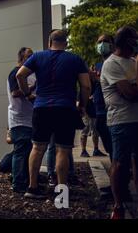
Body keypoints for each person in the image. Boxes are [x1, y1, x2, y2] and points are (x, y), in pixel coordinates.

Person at [16, 30, 91, 199]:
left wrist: (27, 94)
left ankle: (32, 188)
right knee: (62, 150)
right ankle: (62, 194)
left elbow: (20, 75)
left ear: (50, 41)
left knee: (37, 147)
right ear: (65, 42)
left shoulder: (38, 57)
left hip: (42, 108)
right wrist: (82, 106)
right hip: (65, 108)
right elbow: (86, 86)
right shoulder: (75, 59)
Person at [100, 26, 138, 219]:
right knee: (120, 163)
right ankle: (118, 205)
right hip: (121, 121)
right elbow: (130, 94)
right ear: (126, 43)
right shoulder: (112, 64)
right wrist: (133, 86)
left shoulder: (133, 61)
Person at [7, 47, 36, 193]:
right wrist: (31, 89)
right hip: (19, 119)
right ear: (21, 58)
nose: (31, 58)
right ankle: (18, 184)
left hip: (30, 118)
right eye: (29, 56)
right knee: (20, 152)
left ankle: (22, 178)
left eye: (33, 56)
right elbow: (15, 93)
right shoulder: (16, 72)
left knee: (26, 151)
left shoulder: (31, 73)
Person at [91, 34, 115, 159]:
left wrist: (98, 79)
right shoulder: (98, 65)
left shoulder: (115, 62)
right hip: (99, 110)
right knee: (111, 148)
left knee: (117, 148)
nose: (102, 45)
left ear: (112, 44)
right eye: (99, 42)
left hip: (112, 110)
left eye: (105, 41)